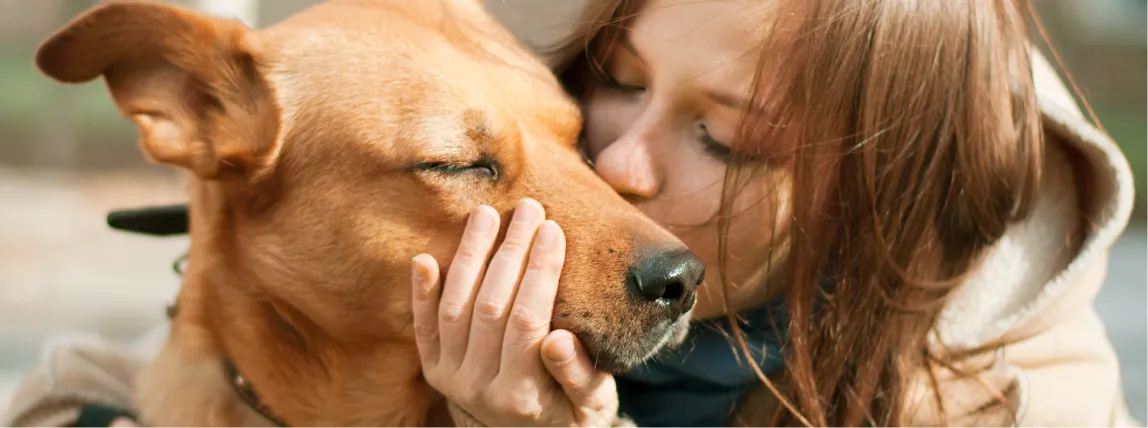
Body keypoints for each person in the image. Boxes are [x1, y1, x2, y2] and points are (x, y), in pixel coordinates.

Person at [2, 0, 1139, 427]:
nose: (615, 176)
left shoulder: (1018, 400)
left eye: (726, 138)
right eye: (612, 81)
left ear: (872, 199)